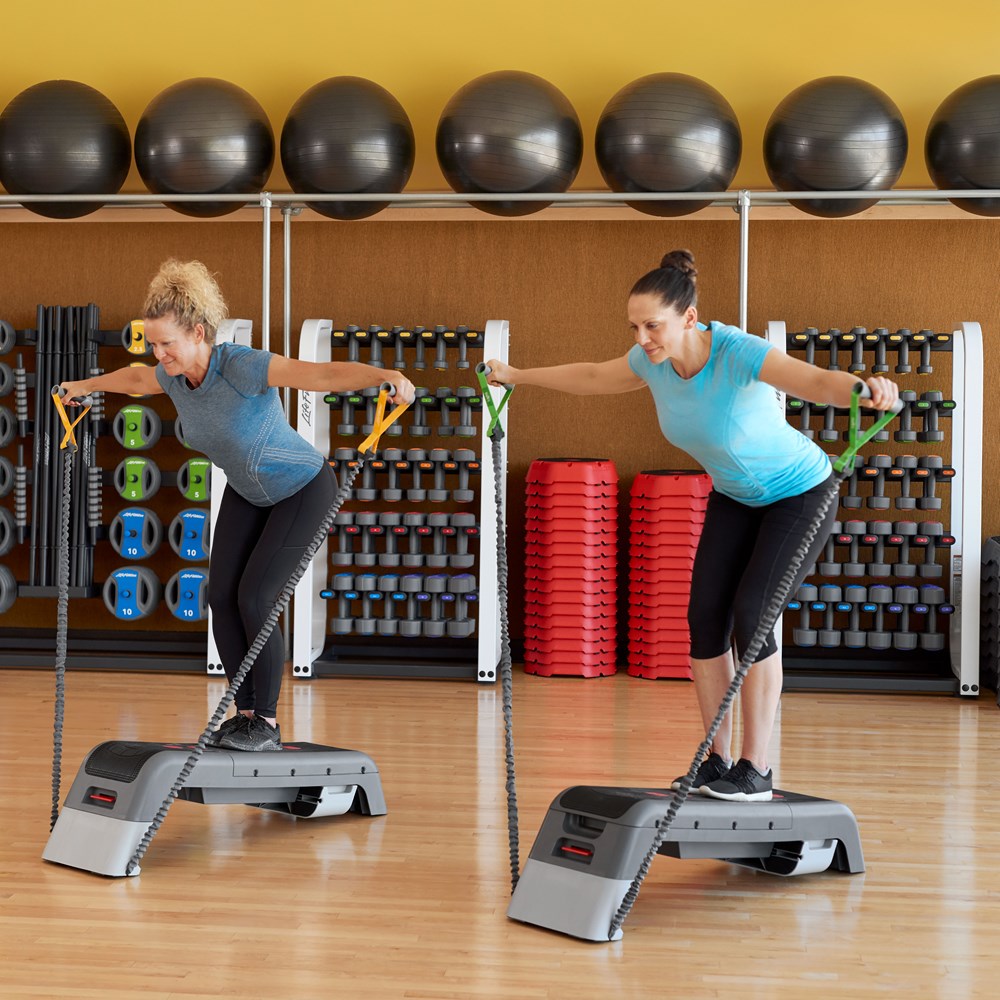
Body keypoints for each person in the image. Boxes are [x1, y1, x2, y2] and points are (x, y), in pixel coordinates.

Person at [485, 249, 899, 802]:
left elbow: (814, 380)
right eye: (634, 327)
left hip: (801, 494)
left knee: (754, 616)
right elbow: (591, 375)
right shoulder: (649, 362)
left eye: (651, 325)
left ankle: (757, 769)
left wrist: (864, 390)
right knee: (704, 619)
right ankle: (716, 760)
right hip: (734, 496)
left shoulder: (738, 351)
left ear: (689, 317)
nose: (642, 338)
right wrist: (517, 375)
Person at [61, 259, 414, 752]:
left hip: (302, 488)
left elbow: (318, 375)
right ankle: (244, 714)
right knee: (221, 597)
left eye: (168, 344)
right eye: (155, 344)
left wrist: (385, 374)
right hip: (248, 494)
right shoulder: (174, 379)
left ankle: (266, 722)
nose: (159, 354)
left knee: (256, 598)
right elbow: (137, 380)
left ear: (198, 332)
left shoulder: (241, 365)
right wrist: (85, 387)